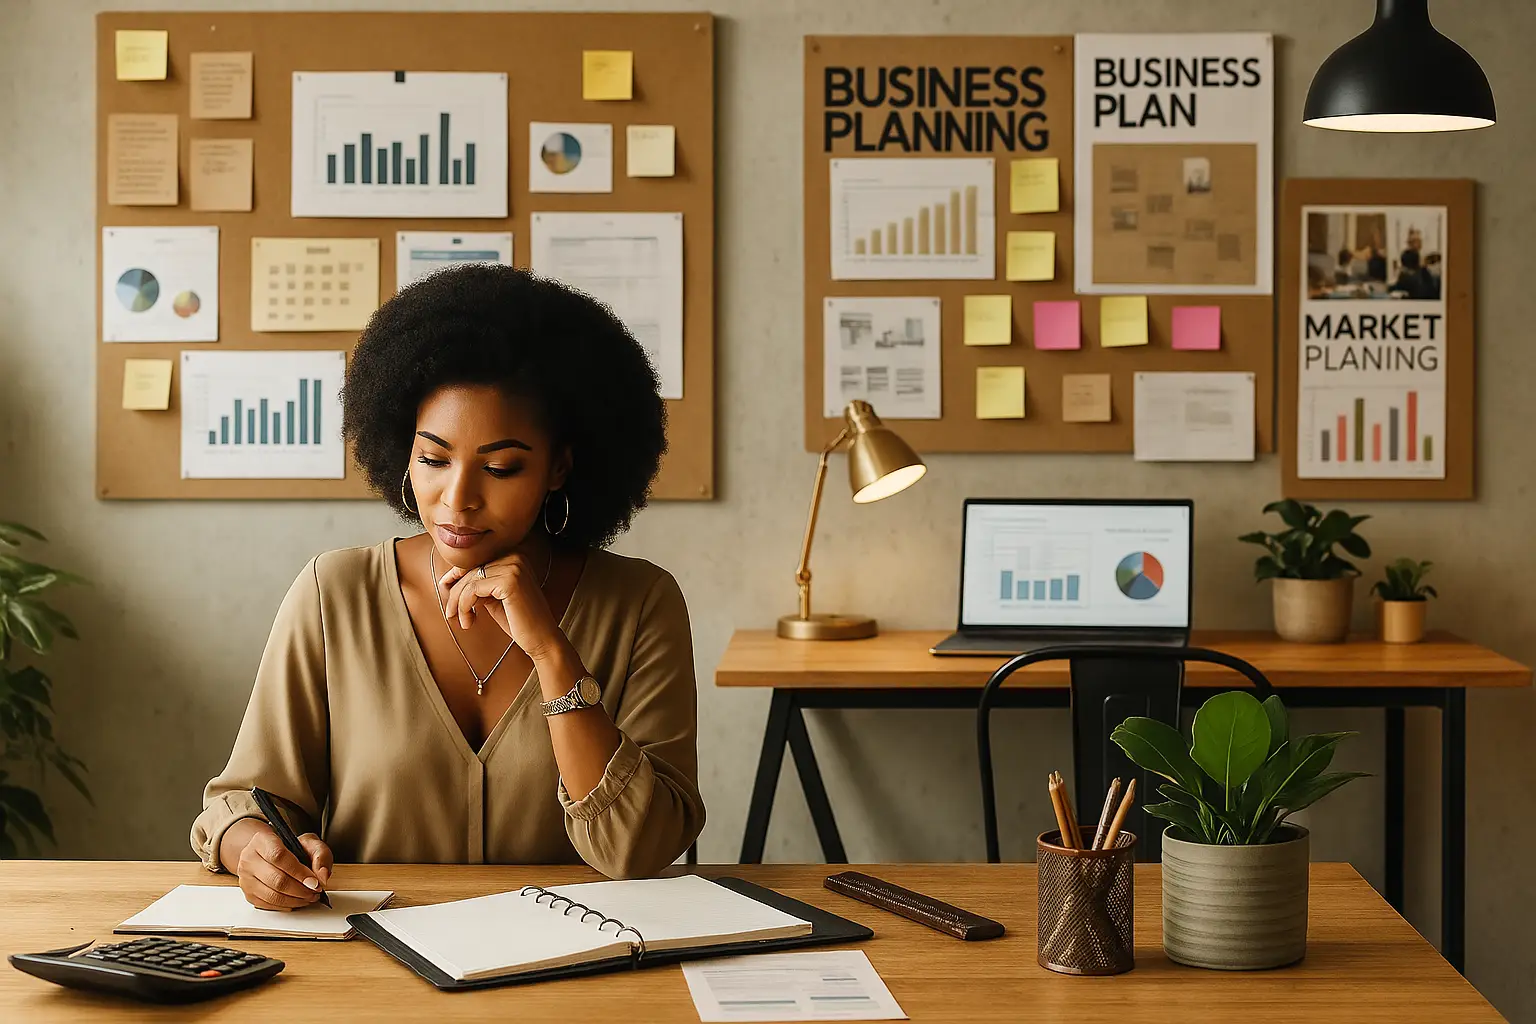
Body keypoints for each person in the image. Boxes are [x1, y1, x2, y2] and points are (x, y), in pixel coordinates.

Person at [190, 266, 704, 910]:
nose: (457, 498)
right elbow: (244, 802)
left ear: (560, 468)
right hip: (371, 959)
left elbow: (639, 848)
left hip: (577, 960)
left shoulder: (641, 604)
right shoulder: (334, 595)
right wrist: (256, 851)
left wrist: (552, 654)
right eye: (433, 459)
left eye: (501, 467)